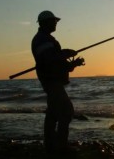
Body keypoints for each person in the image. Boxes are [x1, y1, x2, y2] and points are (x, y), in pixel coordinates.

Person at [31, 10, 85, 154]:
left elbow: (56, 63)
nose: (56, 23)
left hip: (54, 80)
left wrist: (74, 63)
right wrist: (66, 53)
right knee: (67, 111)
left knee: (53, 114)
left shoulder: (46, 39)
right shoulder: (42, 39)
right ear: (45, 22)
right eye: (53, 21)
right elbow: (50, 59)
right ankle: (60, 146)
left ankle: (50, 146)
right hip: (51, 81)